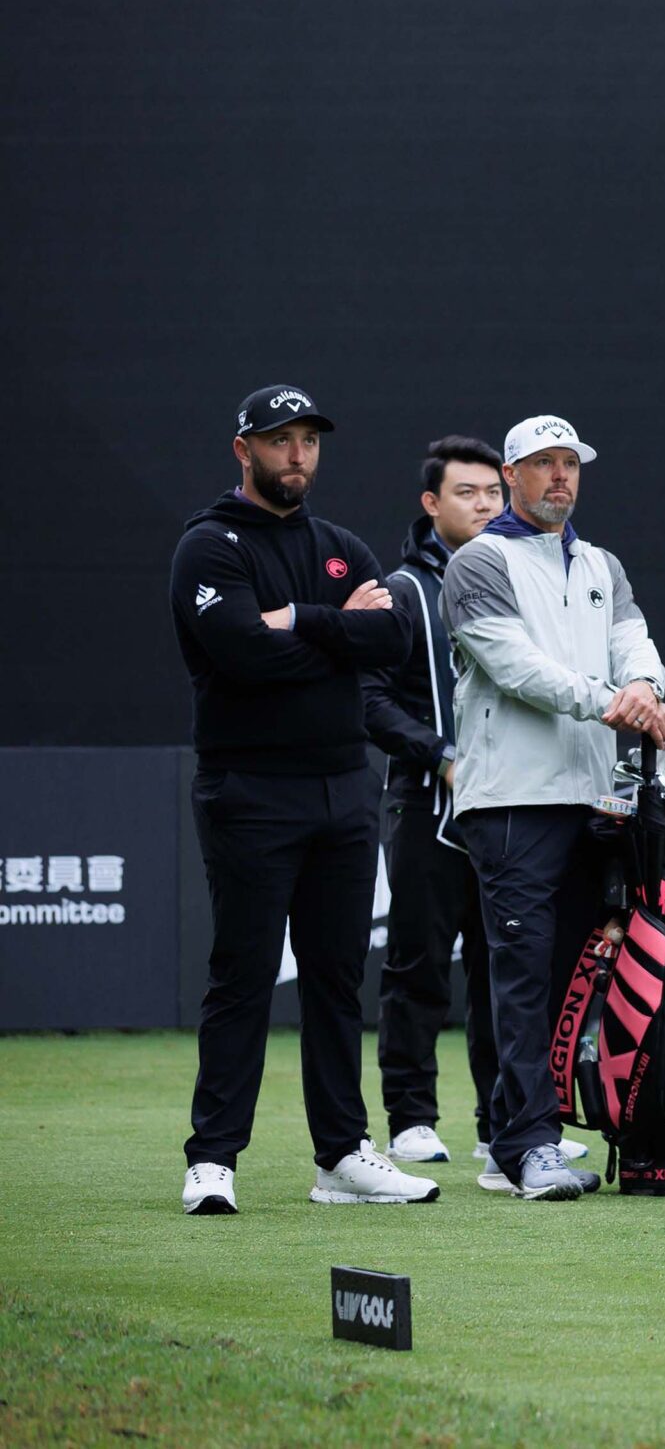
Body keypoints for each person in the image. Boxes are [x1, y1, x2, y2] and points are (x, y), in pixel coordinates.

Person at [169, 385, 436, 1214]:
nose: (298, 455)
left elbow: (392, 640)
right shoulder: (209, 547)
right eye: (280, 440)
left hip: (341, 790)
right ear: (243, 449)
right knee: (243, 974)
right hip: (249, 788)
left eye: (309, 441)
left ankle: (341, 1157)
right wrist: (330, 630)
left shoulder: (340, 545)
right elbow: (244, 655)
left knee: (332, 979)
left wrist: (296, 620)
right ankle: (213, 1159)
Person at [443, 414, 665, 1200]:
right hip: (511, 799)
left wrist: (644, 686)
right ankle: (526, 1142)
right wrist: (617, 700)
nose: (559, 477)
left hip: (589, 798)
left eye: (570, 463)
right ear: (510, 475)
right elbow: (516, 669)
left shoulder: (602, 564)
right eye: (542, 463)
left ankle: (517, 1140)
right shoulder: (478, 561)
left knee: (567, 978)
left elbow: (634, 640)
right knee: (520, 978)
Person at [362, 436, 506, 1169]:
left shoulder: (526, 581)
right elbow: (371, 702)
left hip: (513, 809)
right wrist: (441, 754)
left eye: (492, 492)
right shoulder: (403, 589)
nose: (483, 504)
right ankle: (412, 1118)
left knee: (503, 971)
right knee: (418, 964)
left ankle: (501, 1122)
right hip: (426, 803)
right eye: (466, 493)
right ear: (432, 503)